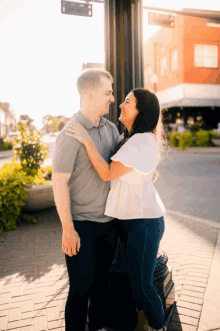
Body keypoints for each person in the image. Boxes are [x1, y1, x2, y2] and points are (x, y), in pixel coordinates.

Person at [65, 88, 168, 331]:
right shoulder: (128, 138)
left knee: (142, 287)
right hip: (129, 221)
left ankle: (160, 327)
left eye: (128, 102)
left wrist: (85, 138)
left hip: (143, 222)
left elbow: (107, 172)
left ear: (140, 111)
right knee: (136, 284)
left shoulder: (142, 140)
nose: (121, 104)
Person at [52, 69, 120, 331]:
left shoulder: (111, 128)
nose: (112, 98)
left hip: (109, 224)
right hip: (82, 226)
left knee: (103, 286)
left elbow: (115, 170)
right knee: (80, 291)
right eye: (108, 92)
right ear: (90, 94)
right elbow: (58, 183)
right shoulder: (70, 133)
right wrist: (68, 230)